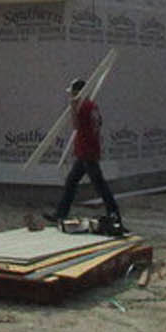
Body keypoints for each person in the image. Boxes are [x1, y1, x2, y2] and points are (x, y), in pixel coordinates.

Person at [43, 77, 125, 232]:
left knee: (99, 186)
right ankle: (60, 213)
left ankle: (114, 215)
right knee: (72, 182)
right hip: (87, 150)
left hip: (87, 151)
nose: (71, 95)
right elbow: (98, 123)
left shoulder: (83, 107)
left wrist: (73, 106)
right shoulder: (92, 105)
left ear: (78, 92)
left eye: (73, 92)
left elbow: (76, 125)